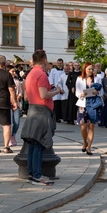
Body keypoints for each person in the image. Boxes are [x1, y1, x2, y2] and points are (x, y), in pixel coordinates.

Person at [20, 49, 61, 185]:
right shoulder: (41, 74)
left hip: (32, 109)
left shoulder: (30, 73)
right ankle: (37, 174)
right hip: (41, 112)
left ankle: (32, 173)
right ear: (44, 60)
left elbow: (26, 96)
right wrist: (56, 91)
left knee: (32, 144)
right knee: (39, 144)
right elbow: (44, 95)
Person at [75, 62, 102, 155]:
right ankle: (84, 141)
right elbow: (77, 92)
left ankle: (89, 147)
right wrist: (81, 94)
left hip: (93, 105)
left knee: (91, 126)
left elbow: (101, 92)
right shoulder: (79, 79)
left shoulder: (97, 79)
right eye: (89, 69)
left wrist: (96, 92)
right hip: (83, 104)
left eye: (92, 69)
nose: (90, 71)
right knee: (83, 126)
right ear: (85, 69)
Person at [8, 61, 25, 147]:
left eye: (15, 71)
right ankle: (9, 138)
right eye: (12, 71)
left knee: (17, 121)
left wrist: (19, 96)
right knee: (9, 122)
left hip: (17, 103)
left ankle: (13, 134)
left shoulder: (16, 80)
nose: (14, 73)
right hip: (9, 103)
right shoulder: (6, 80)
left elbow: (21, 91)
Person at [49, 58, 66, 122]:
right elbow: (51, 79)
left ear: (62, 63)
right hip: (55, 88)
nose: (59, 64)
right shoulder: (53, 70)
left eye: (60, 63)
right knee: (56, 104)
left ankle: (60, 117)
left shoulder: (64, 70)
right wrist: (53, 85)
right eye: (58, 63)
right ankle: (55, 117)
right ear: (57, 63)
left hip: (62, 89)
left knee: (61, 104)